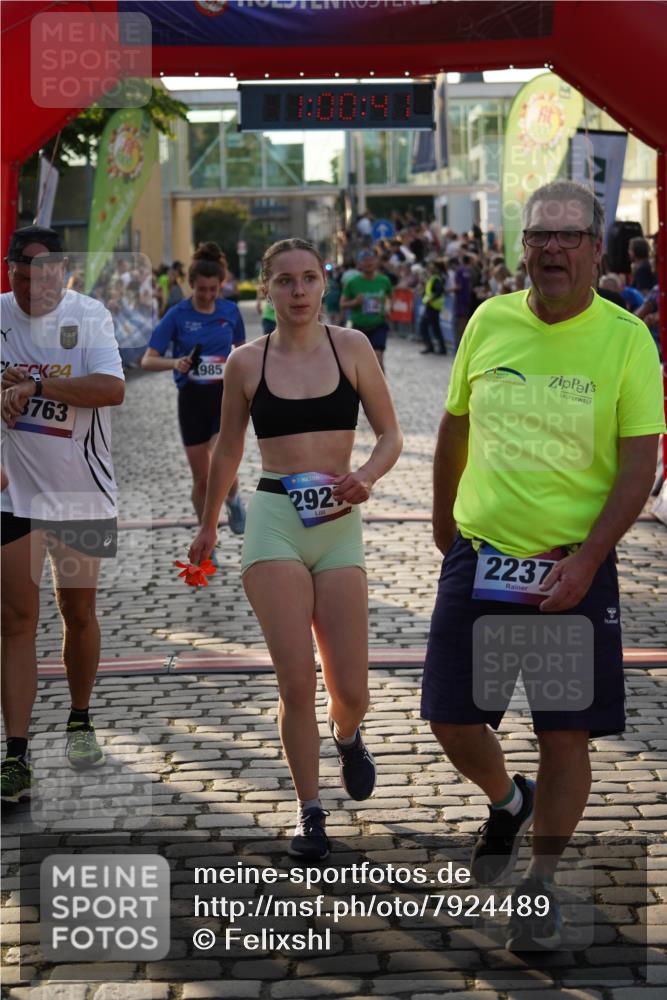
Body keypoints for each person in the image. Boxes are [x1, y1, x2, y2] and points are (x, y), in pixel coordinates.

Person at [422, 181, 665, 951]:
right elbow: (454, 427)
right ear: (521, 247)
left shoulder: (625, 339)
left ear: (595, 249)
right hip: (481, 558)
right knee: (450, 718)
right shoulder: (487, 321)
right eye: (538, 235)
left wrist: (589, 560)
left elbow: (638, 467)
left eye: (567, 236)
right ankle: (506, 799)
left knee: (563, 736)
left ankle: (539, 883)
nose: (551, 248)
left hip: (570, 570)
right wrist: (442, 522)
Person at [188, 237, 402, 859]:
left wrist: (367, 476)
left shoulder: (353, 348)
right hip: (275, 519)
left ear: (324, 284)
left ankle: (348, 734)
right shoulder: (245, 363)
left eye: (309, 277)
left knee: (351, 688)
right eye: (285, 280)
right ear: (266, 289)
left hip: (338, 523)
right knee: (295, 679)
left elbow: (390, 435)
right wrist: (208, 525)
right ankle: (310, 812)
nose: (299, 290)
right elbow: (229, 449)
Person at [1, 225, 125, 801]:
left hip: (81, 491)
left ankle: (80, 719)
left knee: (78, 612)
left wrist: (35, 386)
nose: (31, 288)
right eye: (20, 276)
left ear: (60, 271)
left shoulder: (89, 315)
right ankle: (16, 754)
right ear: (10, 271)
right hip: (13, 494)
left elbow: (111, 389)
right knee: (15, 621)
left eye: (42, 275)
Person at [141, 242, 247, 537]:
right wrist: (176, 363)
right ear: (191, 285)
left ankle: (233, 499)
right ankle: (206, 535)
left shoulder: (230, 311)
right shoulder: (177, 315)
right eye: (202, 290)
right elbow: (147, 360)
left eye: (214, 289)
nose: (208, 295)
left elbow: (242, 351)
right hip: (191, 400)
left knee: (221, 461)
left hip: (225, 397)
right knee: (202, 478)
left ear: (221, 285)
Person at [340, 249, 393, 373]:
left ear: (376, 262)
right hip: (359, 328)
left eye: (371, 260)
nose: (368, 263)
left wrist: (387, 308)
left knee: (378, 358)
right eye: (365, 260)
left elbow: (389, 297)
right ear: (359, 264)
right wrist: (355, 302)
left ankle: (381, 384)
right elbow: (342, 304)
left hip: (378, 325)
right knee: (360, 362)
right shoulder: (352, 283)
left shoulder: (384, 281)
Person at [419, 259, 447, 355]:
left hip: (433, 306)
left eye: (432, 266)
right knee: (433, 328)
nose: (430, 268)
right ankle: (437, 347)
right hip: (431, 306)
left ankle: (435, 347)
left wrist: (430, 299)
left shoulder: (436, 279)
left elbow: (439, 291)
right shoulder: (433, 278)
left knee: (426, 327)